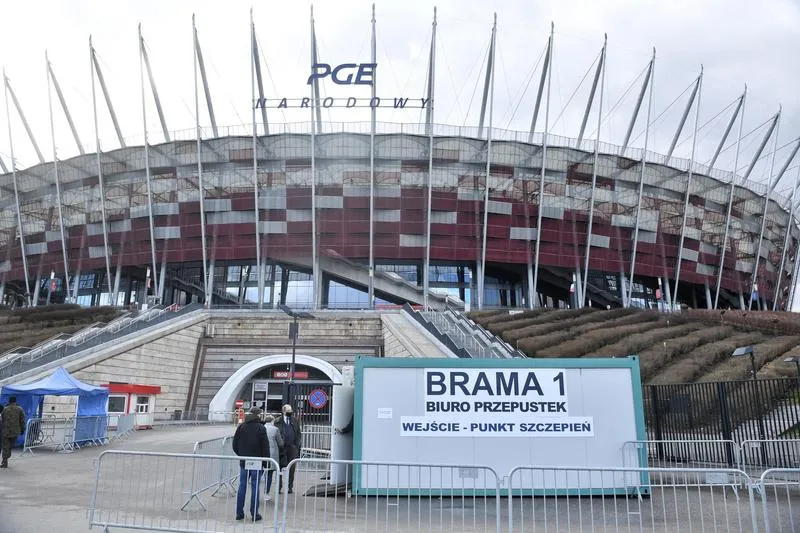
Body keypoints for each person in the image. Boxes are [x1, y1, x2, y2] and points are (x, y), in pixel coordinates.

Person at [232, 406, 269, 522]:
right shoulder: (261, 428)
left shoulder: (241, 426)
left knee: (242, 485)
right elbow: (265, 447)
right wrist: (266, 462)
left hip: (244, 461)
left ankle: (239, 513)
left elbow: (235, 444)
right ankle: (254, 513)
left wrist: (241, 455)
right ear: (258, 415)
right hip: (257, 461)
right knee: (255, 486)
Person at [274, 403, 302, 494]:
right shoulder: (277, 421)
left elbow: (298, 433)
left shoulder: (295, 421)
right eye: (288, 411)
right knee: (280, 466)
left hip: (292, 447)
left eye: (291, 411)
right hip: (281, 448)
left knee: (292, 467)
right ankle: (279, 487)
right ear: (283, 411)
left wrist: (296, 445)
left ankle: (290, 487)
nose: (290, 413)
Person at [262, 414, 284, 500]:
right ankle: (266, 493)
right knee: (269, 474)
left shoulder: (262, 428)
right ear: (272, 421)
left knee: (260, 472)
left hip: (261, 454)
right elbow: (281, 443)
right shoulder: (275, 429)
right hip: (272, 454)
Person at [1, 396, 25, 468]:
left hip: (5, 431)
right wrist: (22, 429)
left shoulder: (4, 409)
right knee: (10, 446)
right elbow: (22, 420)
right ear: (15, 401)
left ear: (9, 401)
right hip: (15, 431)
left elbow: (2, 419)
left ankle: (5, 459)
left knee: (6, 447)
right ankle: (5, 460)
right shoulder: (20, 409)